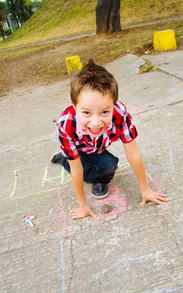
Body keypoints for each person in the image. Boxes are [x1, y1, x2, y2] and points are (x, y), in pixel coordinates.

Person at [51, 59, 168, 219]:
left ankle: (74, 160)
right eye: (86, 113)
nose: (96, 122)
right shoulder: (66, 125)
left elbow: (133, 153)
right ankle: (66, 157)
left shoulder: (120, 114)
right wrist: (83, 205)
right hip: (79, 149)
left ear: (113, 104)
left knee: (108, 166)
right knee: (77, 164)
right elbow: (77, 169)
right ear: (74, 105)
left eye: (105, 112)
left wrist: (145, 189)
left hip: (97, 149)